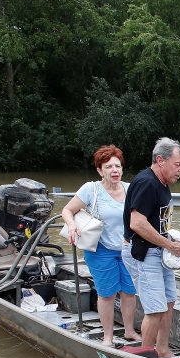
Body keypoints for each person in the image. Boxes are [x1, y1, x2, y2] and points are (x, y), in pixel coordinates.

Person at [59, 145, 140, 347]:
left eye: (118, 166)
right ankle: (108, 337)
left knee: (129, 292)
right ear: (99, 170)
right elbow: (67, 210)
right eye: (109, 166)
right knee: (107, 294)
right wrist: (71, 226)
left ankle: (130, 331)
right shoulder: (91, 189)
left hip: (127, 248)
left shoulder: (131, 189)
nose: (115, 170)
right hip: (100, 249)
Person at [122, 137, 180, 358]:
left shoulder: (162, 184)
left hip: (159, 251)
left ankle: (162, 349)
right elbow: (137, 223)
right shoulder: (147, 183)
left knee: (168, 302)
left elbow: (157, 222)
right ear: (160, 160)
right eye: (177, 164)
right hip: (143, 253)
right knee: (156, 308)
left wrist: (174, 241)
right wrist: (170, 245)